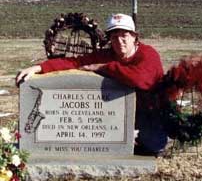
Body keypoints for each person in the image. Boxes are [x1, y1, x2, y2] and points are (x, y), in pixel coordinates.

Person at [16, 13, 168, 156]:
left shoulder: (148, 54)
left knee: (154, 145)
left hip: (149, 111)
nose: (119, 40)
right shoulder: (107, 55)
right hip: (117, 111)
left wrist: (103, 67)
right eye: (114, 36)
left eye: (124, 35)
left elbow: (140, 79)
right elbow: (75, 62)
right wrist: (40, 67)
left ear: (135, 37)